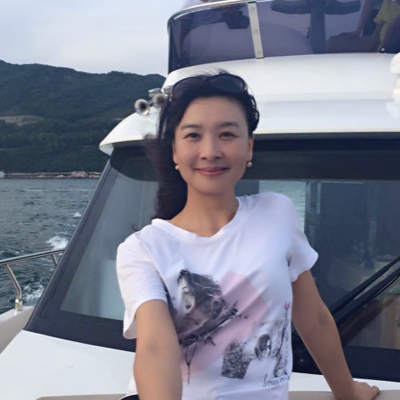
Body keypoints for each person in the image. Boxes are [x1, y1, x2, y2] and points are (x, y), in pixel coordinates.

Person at [116, 72, 380, 400]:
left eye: (227, 134)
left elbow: (313, 318)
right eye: (193, 135)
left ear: (249, 146)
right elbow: (155, 347)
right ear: (174, 151)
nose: (210, 151)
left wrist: (347, 390)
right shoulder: (144, 249)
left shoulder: (277, 213)